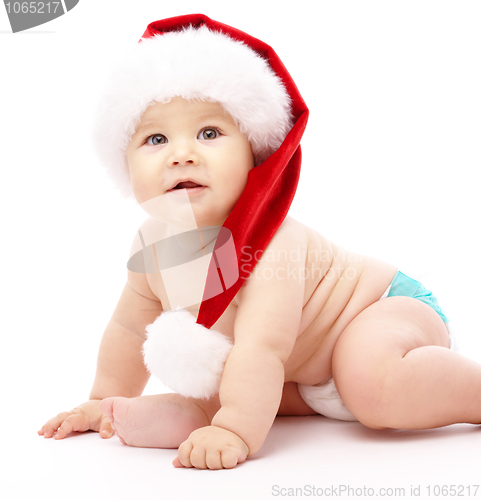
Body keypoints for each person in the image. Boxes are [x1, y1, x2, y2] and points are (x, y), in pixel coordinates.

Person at [38, 14, 480, 470]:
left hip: (382, 309)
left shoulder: (272, 241)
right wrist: (100, 398)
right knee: (224, 385)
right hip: (305, 374)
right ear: (124, 165)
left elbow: (262, 346)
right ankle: (150, 414)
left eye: (209, 133)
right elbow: (130, 330)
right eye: (155, 138)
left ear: (254, 152)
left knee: (369, 384)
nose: (181, 153)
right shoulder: (151, 244)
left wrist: (236, 431)